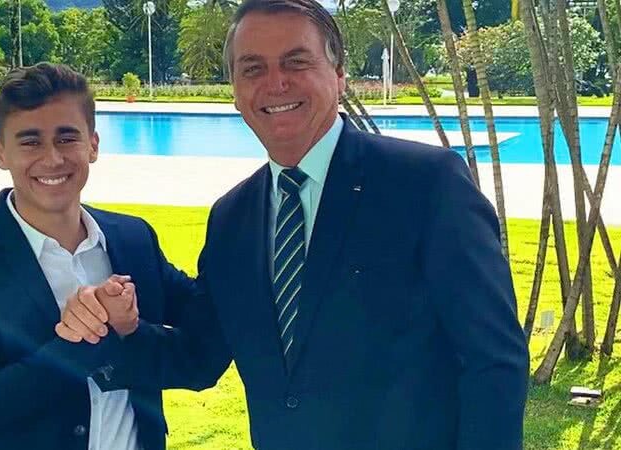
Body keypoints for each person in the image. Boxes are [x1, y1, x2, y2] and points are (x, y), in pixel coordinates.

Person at [59, 0, 531, 449]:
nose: (276, 83)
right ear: (236, 90)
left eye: (296, 61)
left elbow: (494, 361)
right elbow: (200, 356)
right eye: (253, 69)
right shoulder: (232, 219)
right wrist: (121, 329)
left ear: (339, 75)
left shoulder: (426, 185)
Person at [0, 62, 204, 450]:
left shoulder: (134, 240)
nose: (52, 158)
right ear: (1, 153)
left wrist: (131, 331)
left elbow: (201, 349)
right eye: (30, 142)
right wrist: (84, 341)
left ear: (93, 144)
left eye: (67, 138)